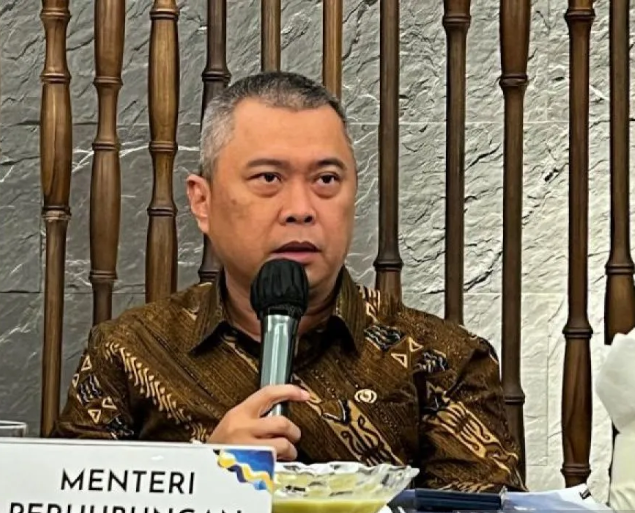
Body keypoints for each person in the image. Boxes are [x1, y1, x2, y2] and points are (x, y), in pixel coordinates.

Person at [51, 71, 525, 492]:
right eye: (268, 178)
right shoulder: (129, 352)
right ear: (202, 202)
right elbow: (65, 500)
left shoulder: (444, 360)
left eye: (326, 180)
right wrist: (203, 480)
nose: (301, 208)